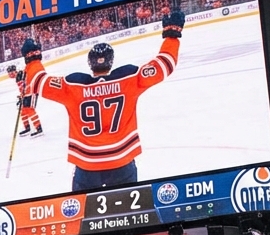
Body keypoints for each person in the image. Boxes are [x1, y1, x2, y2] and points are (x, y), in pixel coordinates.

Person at [21, 12, 183, 191]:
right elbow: (165, 65)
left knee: (84, 215)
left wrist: (32, 57)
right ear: (111, 61)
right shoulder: (129, 78)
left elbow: (37, 81)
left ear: (90, 64)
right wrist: (171, 34)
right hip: (122, 162)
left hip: (87, 166)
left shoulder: (72, 86)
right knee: (127, 216)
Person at [5, 64, 41, 137]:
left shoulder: (20, 75)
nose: (11, 75)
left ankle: (39, 129)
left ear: (15, 71)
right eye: (9, 74)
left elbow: (26, 85)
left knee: (30, 109)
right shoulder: (18, 76)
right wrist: (21, 95)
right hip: (27, 94)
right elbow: (23, 88)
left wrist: (23, 95)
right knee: (23, 111)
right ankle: (27, 128)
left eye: (12, 73)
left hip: (32, 92)